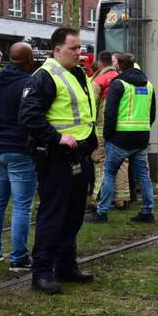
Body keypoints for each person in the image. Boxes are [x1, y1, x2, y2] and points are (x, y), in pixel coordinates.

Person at [19, 26, 97, 295]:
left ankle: (66, 265)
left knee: (74, 214)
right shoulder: (45, 76)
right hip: (55, 158)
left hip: (79, 155)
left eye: (80, 47)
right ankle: (42, 272)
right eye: (74, 48)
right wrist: (56, 137)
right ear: (57, 49)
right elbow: (28, 116)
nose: (79, 52)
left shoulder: (77, 73)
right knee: (53, 215)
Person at [0, 42, 38, 271]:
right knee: (22, 205)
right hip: (19, 149)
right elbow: (32, 117)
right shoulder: (29, 83)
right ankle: (19, 257)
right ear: (28, 60)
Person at [87, 53, 157, 224]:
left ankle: (102, 212)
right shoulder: (148, 85)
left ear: (118, 65)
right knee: (144, 176)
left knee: (109, 173)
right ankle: (148, 211)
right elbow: (152, 113)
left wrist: (108, 136)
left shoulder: (118, 84)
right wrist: (143, 128)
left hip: (120, 138)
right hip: (141, 137)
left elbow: (110, 113)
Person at [90, 52, 130, 210]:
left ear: (100, 64)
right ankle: (122, 199)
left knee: (100, 160)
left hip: (101, 127)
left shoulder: (98, 81)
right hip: (120, 128)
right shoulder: (122, 80)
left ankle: (98, 197)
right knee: (121, 161)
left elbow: (90, 106)